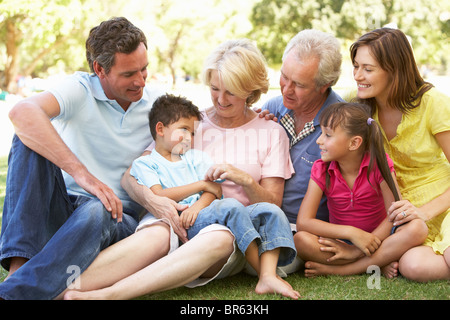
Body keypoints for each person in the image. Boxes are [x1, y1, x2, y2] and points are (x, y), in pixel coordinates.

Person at [63, 39, 299, 300]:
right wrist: (154, 201)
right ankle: (58, 290)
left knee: (219, 237)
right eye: (214, 88)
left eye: (231, 91)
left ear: (250, 89)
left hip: (230, 232)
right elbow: (132, 175)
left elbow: (272, 204)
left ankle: (108, 296)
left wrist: (245, 180)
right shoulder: (191, 122)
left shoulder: (271, 133)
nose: (221, 99)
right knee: (158, 233)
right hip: (175, 213)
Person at [0, 17, 175, 300]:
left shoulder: (159, 105)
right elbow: (21, 113)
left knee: (98, 208)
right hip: (63, 209)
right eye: (130, 73)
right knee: (27, 137)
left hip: (117, 219)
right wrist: (84, 176)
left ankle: (13, 292)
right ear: (99, 69)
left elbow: (205, 126)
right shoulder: (80, 88)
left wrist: (263, 115)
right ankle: (18, 270)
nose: (141, 80)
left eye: (144, 69)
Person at [130, 93, 297, 297]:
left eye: (192, 133)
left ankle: (269, 272)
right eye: (183, 130)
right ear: (160, 129)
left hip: (205, 212)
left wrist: (198, 205)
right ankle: (265, 275)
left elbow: (215, 190)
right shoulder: (146, 163)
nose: (189, 138)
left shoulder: (195, 157)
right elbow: (160, 194)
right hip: (186, 222)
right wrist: (200, 186)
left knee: (270, 210)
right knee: (232, 206)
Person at [349, 28, 450, 281]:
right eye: (356, 66)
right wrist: (267, 114)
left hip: (443, 203)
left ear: (394, 70)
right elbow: (327, 125)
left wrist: (425, 212)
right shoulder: (359, 109)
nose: (358, 76)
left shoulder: (432, 102)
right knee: (414, 267)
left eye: (368, 69)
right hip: (405, 217)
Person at [294, 102, 428, 278]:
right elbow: (303, 222)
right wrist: (351, 233)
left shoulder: (379, 164)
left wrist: (359, 249)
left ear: (354, 143)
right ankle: (377, 262)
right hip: (341, 241)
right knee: (301, 240)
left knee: (417, 228)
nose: (319, 141)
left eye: (327, 135)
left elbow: (394, 214)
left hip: (380, 239)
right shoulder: (321, 169)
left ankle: (342, 269)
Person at [261, 29, 344, 227]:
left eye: (299, 84)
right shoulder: (271, 110)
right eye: (284, 76)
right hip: (264, 220)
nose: (286, 89)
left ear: (325, 85)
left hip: (309, 232)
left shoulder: (342, 124)